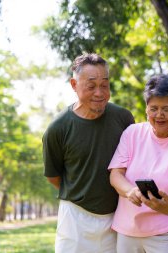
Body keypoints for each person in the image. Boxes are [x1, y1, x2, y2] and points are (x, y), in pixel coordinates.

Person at [42, 53, 134, 253]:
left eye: (105, 85)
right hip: (75, 218)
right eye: (91, 86)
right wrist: (83, 192)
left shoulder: (123, 118)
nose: (99, 93)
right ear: (74, 85)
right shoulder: (58, 129)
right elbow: (54, 176)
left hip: (117, 217)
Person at [108, 74, 168, 253]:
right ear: (146, 109)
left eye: (166, 108)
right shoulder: (132, 133)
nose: (159, 115)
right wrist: (130, 191)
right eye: (154, 108)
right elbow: (115, 174)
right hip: (128, 230)